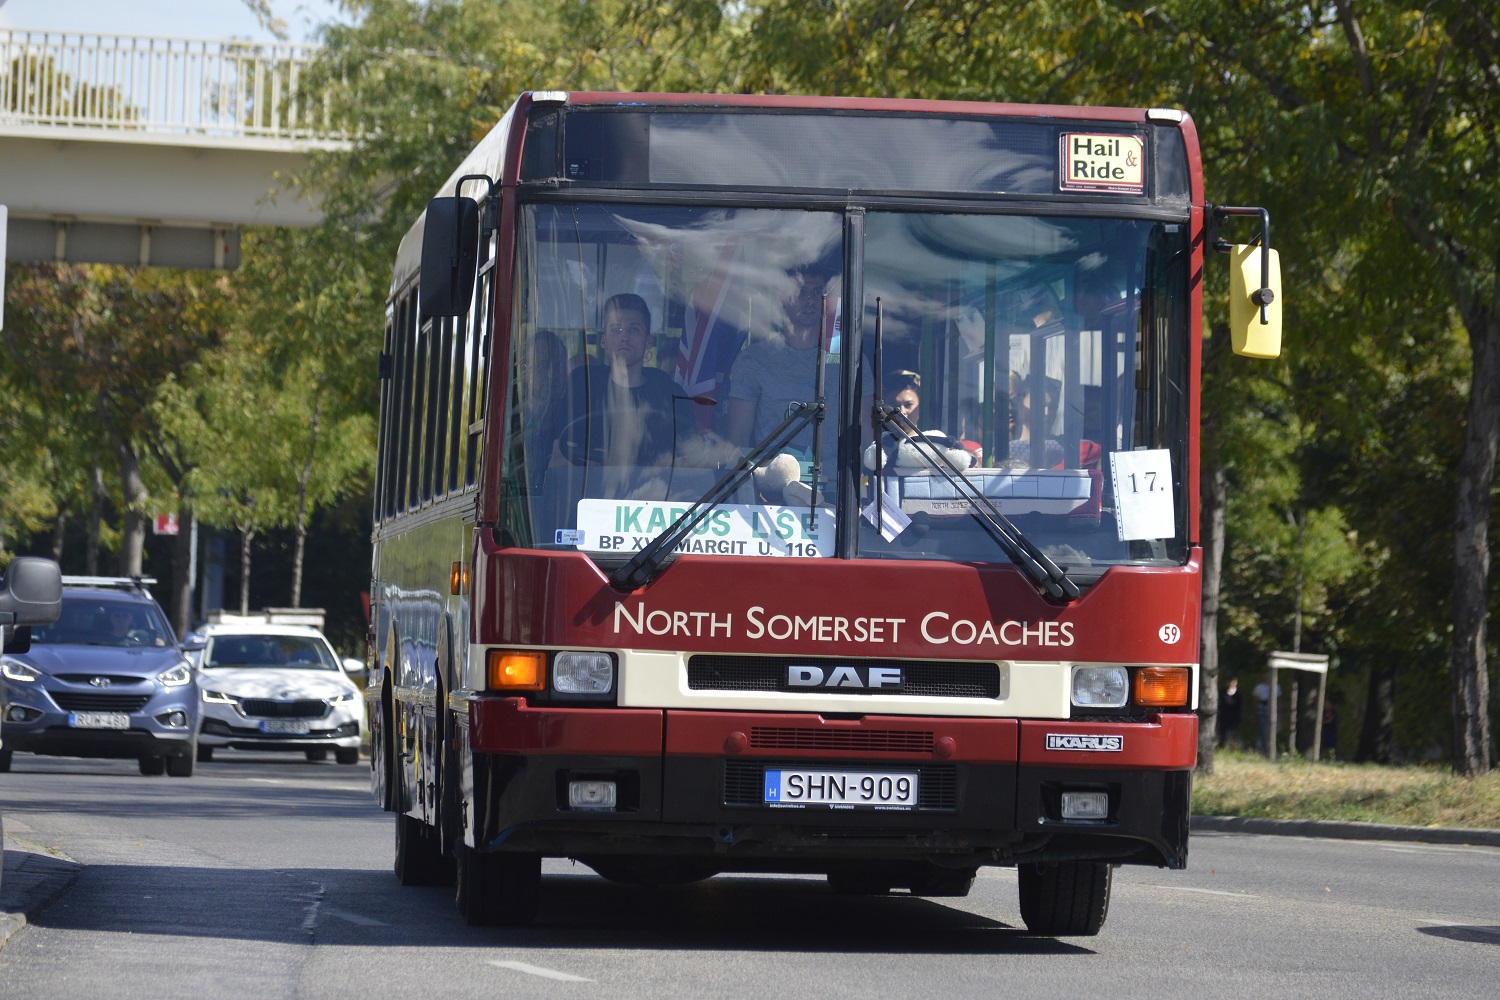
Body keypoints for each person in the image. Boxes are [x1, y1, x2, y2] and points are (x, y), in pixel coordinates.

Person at [726, 264, 839, 456]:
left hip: (838, 486)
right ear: (781, 296)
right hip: (771, 484)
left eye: (817, 292)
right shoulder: (753, 360)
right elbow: (738, 443)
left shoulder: (849, 364)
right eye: (800, 292)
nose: (810, 300)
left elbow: (867, 446)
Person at [560, 293, 679, 474]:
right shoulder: (582, 387)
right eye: (616, 330)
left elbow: (686, 462)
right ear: (604, 341)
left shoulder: (668, 395)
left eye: (633, 330)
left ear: (649, 341)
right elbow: (557, 455)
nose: (624, 338)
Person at [518, 329, 570, 489]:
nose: (552, 374)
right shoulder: (510, 427)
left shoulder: (577, 424)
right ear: (524, 371)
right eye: (543, 365)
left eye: (558, 366)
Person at [1218, 677, 1242, 748]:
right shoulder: (1222, 692)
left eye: (1233, 682)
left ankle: (1234, 748)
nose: (1231, 684)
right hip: (1224, 715)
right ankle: (1221, 747)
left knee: (1234, 732)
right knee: (1222, 733)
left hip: (1234, 716)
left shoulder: (1238, 694)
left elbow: (1240, 705)